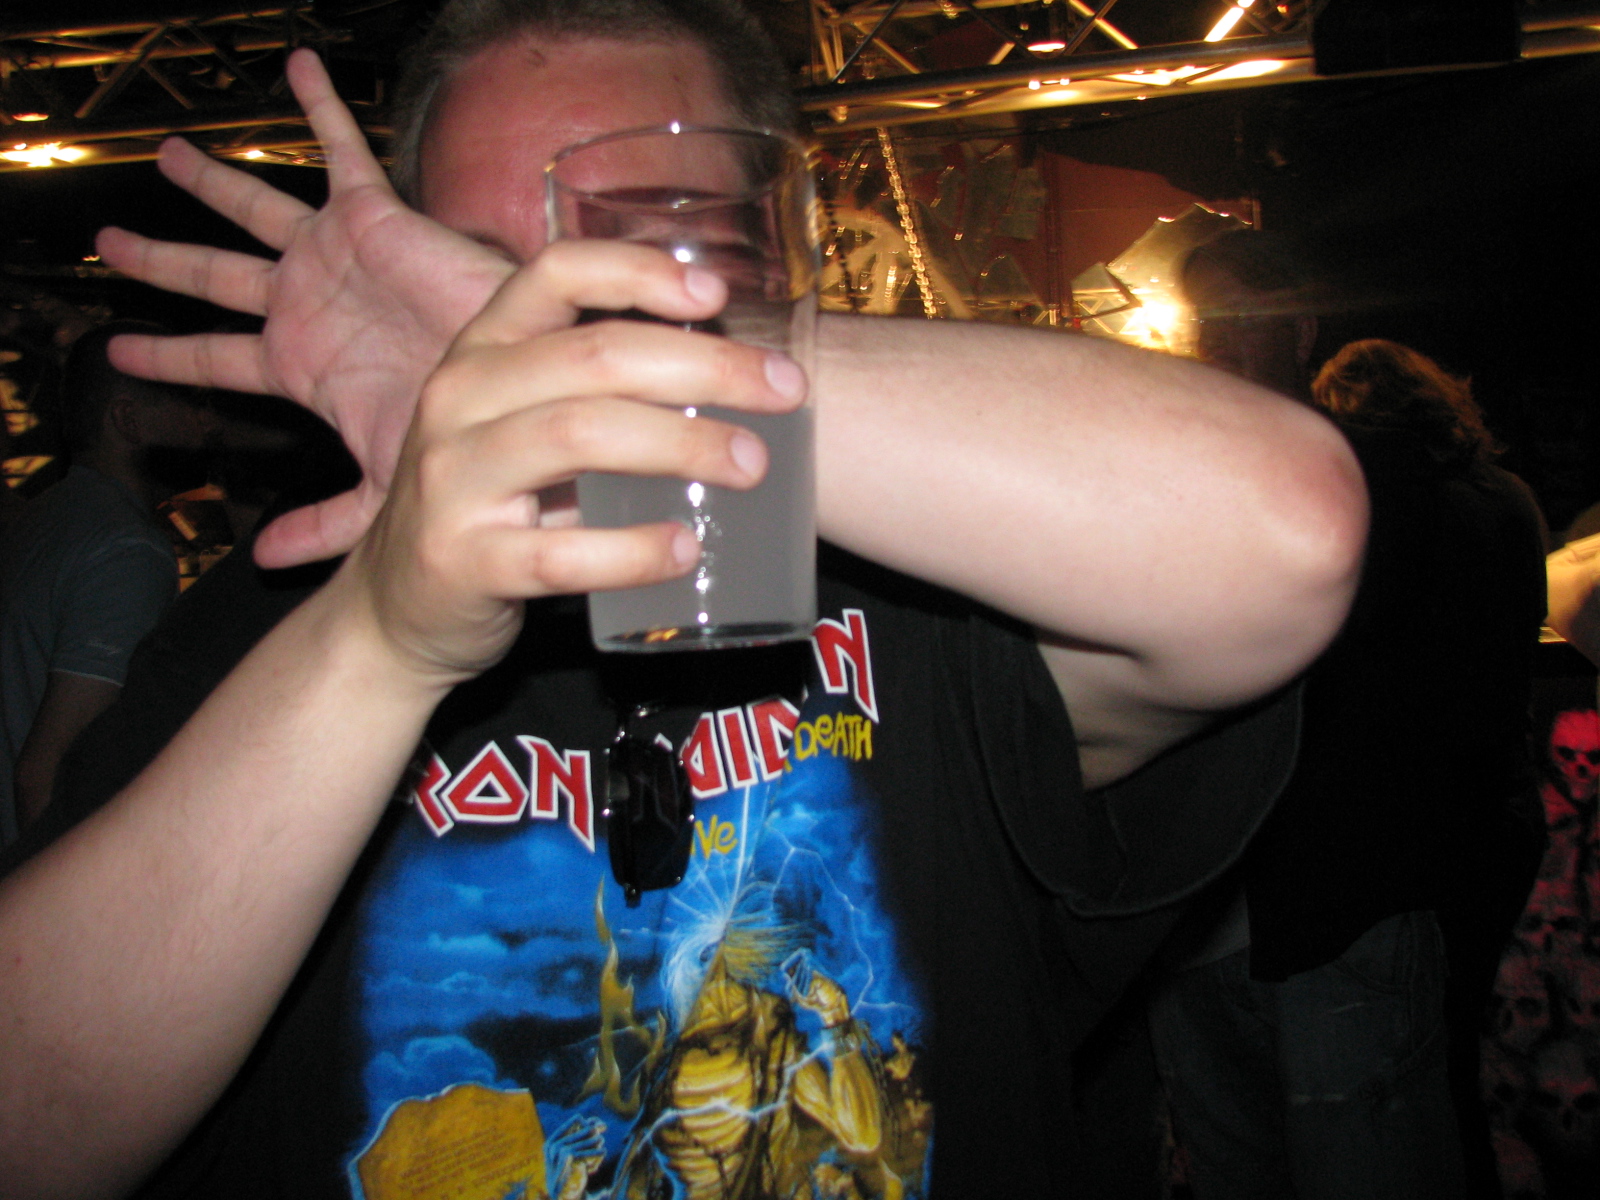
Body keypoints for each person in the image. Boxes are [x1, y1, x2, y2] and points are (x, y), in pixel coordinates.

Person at [0, 3, 1367, 1196]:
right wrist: (380, 643)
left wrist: (701, 366)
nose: (548, 335)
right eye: (480, 276)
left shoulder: (936, 605)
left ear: (785, 259)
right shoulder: (271, 640)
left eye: (655, 252)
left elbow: (1286, 533)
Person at [1149, 335, 1547, 1200]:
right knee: (1435, 1079)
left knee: (1306, 1137)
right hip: (1468, 829)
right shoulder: (1507, 501)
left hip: (1320, 871)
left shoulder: (1330, 498)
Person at [0, 322, 210, 845]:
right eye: (189, 402)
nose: (208, 424)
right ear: (127, 419)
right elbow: (43, 777)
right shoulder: (127, 551)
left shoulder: (45, 517)